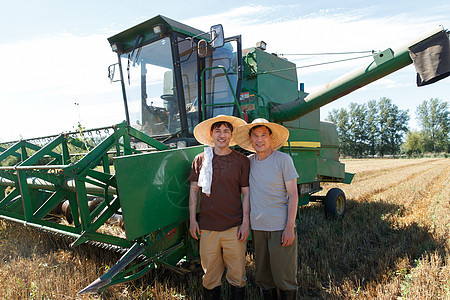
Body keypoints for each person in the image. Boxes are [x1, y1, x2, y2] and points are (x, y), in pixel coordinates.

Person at [234, 118, 299, 300]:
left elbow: (293, 194)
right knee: (263, 275)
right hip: (258, 228)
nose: (259, 139)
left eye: (263, 135)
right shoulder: (248, 162)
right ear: (250, 139)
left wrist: (289, 227)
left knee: (284, 276)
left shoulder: (283, 160)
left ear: (270, 137)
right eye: (255, 135)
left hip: (280, 227)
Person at [188, 115, 250, 300]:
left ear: (231, 136)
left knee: (237, 276)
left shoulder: (241, 161)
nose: (222, 135)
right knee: (210, 277)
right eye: (218, 131)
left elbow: (246, 193)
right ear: (211, 134)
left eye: (226, 131)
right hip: (207, 228)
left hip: (234, 227)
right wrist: (193, 220)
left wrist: (245, 222)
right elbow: (193, 192)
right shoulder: (200, 160)